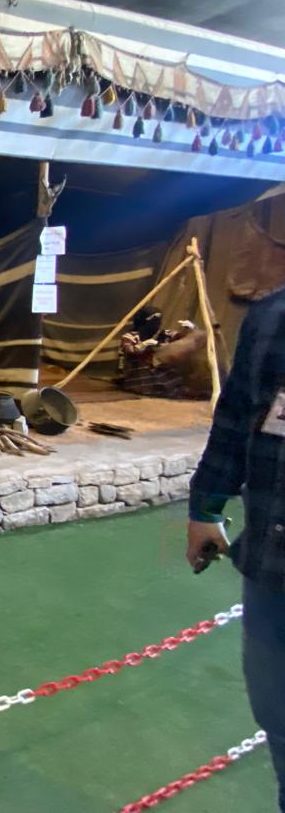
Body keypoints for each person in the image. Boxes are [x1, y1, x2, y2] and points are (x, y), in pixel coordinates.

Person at [187, 288, 285, 810]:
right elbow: (235, 420)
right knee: (279, 717)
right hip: (274, 568)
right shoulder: (272, 316)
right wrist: (206, 508)